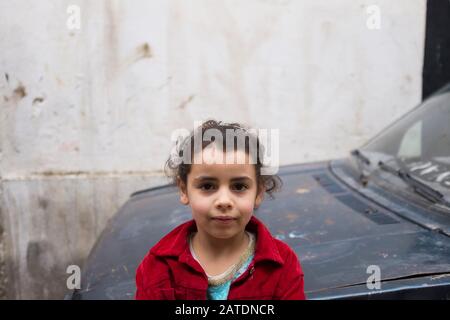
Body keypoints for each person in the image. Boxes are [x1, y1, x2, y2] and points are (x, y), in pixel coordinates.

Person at [135, 120, 306, 300]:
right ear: (184, 190)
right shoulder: (159, 266)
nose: (224, 201)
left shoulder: (282, 264)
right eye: (207, 186)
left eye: (239, 187)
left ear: (259, 192)